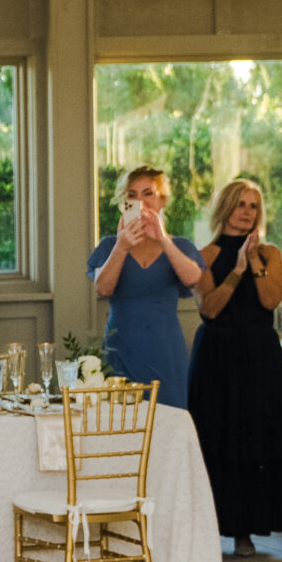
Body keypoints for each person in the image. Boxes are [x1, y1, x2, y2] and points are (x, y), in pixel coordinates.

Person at [188, 176, 282, 555]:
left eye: (253, 206)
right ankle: (210, 528)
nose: (247, 212)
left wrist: (253, 261)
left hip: (259, 355)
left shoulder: (271, 254)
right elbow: (209, 309)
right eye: (240, 204)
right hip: (218, 355)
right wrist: (236, 270)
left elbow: (270, 301)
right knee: (218, 436)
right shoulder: (204, 255)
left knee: (257, 434)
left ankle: (246, 532)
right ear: (226, 207)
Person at [88, 163, 204, 408]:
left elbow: (193, 278)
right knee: (119, 421)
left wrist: (162, 239)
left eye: (148, 193)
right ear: (124, 203)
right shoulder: (110, 245)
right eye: (132, 195)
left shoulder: (180, 245)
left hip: (166, 351)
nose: (140, 201)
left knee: (170, 420)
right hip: (121, 349)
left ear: (162, 200)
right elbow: (103, 288)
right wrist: (122, 246)